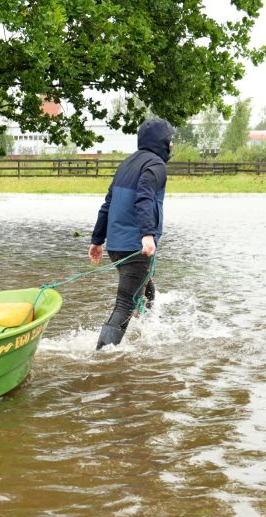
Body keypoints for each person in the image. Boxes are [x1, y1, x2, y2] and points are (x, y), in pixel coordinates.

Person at [88, 117, 174, 349]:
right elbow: (145, 197)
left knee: (148, 289)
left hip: (116, 246)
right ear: (163, 142)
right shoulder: (156, 165)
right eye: (171, 140)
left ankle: (147, 336)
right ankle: (102, 356)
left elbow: (108, 203)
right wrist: (147, 235)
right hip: (134, 246)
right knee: (125, 304)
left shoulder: (126, 164)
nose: (172, 144)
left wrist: (97, 241)